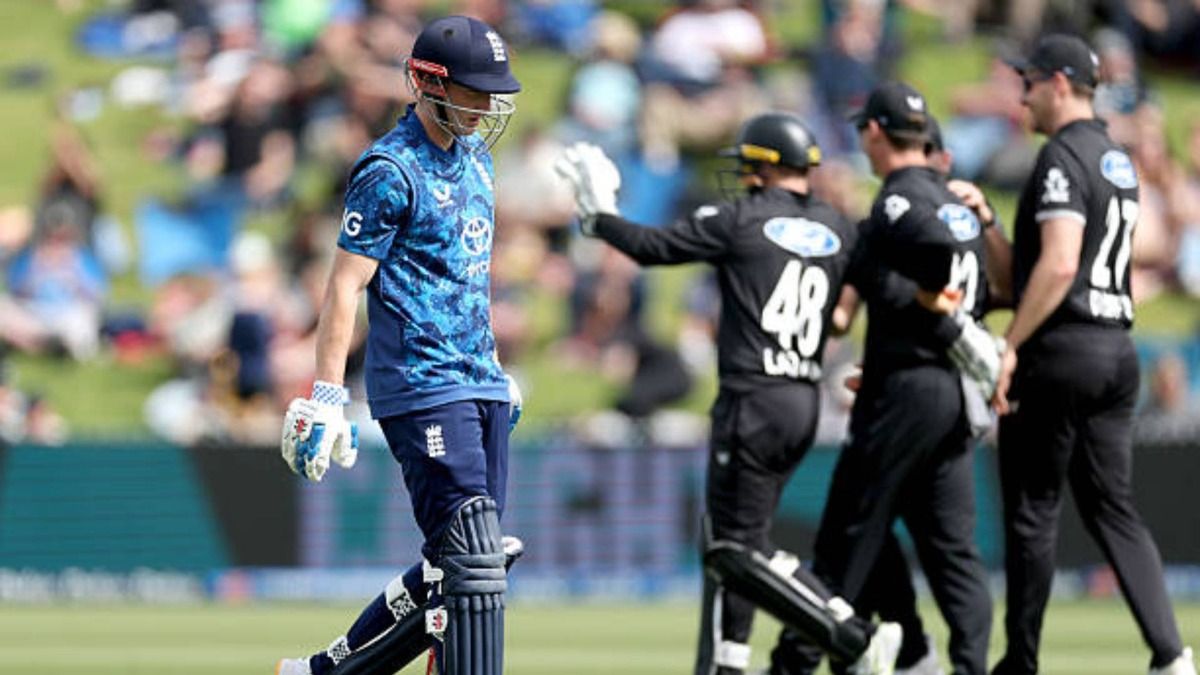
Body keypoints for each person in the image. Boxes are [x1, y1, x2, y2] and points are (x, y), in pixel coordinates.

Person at [556, 112, 903, 675]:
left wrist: (599, 218)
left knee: (734, 552)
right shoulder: (839, 226)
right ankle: (726, 663)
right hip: (802, 401)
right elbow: (852, 305)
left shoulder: (742, 218)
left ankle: (851, 632)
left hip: (753, 400)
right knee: (738, 541)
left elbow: (650, 248)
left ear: (766, 166)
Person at [275, 15, 523, 675]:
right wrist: (327, 394)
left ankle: (320, 674)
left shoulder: (479, 159)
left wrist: (496, 370)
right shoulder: (390, 168)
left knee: (466, 562)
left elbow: (465, 275)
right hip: (419, 385)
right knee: (471, 560)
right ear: (426, 81)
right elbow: (344, 286)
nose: (485, 105)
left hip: (478, 380)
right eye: (472, 90)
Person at [980, 33, 1196, 675]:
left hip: (1059, 353)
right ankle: (1171, 654)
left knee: (1031, 510)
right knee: (1114, 509)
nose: (1022, 96)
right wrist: (990, 223)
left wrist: (1010, 344)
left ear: (1059, 83)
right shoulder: (1115, 159)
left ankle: (1019, 662)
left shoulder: (1060, 157)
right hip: (1114, 349)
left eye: (1030, 83)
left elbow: (1059, 262)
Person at [799, 82, 996, 675]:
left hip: (909, 387)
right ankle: (942, 660)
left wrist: (931, 314)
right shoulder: (961, 208)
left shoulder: (897, 202)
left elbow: (928, 270)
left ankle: (802, 658)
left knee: (846, 531)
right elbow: (981, 291)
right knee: (950, 551)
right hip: (952, 393)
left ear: (876, 133)